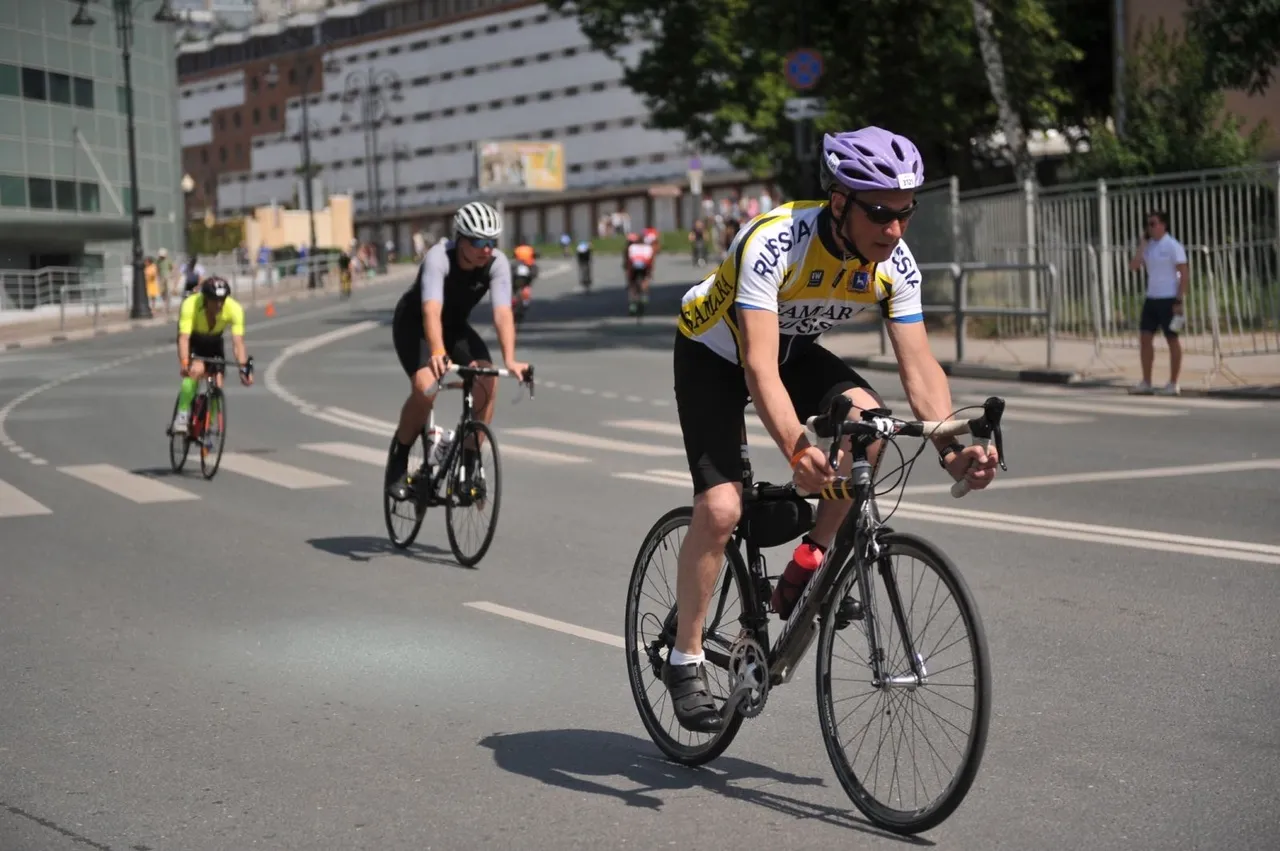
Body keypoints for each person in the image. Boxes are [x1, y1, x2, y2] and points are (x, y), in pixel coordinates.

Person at [663, 127, 1002, 733]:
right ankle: (684, 660)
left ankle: (812, 557)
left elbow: (920, 366)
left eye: (905, 213)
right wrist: (798, 448)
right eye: (880, 213)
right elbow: (757, 367)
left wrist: (951, 449)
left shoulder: (894, 263)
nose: (895, 229)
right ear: (839, 202)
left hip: (792, 349)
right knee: (721, 509)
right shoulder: (774, 242)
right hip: (715, 355)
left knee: (871, 426)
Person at [386, 201, 530, 499]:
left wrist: (511, 359)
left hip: (454, 328)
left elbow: (503, 313)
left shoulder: (497, 263)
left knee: (487, 378)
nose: (486, 249)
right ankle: (399, 458)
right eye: (478, 242)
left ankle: (469, 463)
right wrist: (437, 351)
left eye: (492, 242)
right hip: (415, 325)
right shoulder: (439, 258)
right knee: (426, 389)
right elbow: (431, 310)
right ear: (461, 239)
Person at [172, 276, 252, 434]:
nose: (219, 304)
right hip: (195, 340)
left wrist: (243, 369)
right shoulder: (190, 304)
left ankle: (209, 424)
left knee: (218, 382)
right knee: (194, 372)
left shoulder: (235, 309)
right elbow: (183, 338)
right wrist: (184, 363)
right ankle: (182, 415)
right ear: (205, 299)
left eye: (222, 300)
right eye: (215, 300)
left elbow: (238, 342)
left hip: (214, 342)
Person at [1128, 210, 1188, 396]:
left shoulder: (1173, 246)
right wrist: (1142, 245)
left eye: (1153, 223)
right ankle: (1146, 381)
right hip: (1151, 298)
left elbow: (1183, 273)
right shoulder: (1149, 246)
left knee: (1172, 339)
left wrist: (1179, 298)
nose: (1150, 227)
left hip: (1168, 298)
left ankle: (1173, 383)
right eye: (1148, 224)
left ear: (1163, 225)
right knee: (1145, 338)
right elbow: (1134, 266)